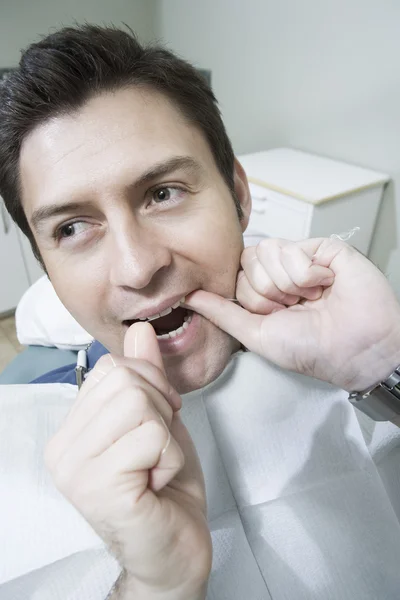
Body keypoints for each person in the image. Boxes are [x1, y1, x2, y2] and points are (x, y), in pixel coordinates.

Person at [1, 24, 400, 600]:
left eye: (163, 192)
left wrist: (386, 364)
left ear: (239, 193)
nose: (137, 268)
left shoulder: (364, 368)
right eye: (72, 228)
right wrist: (155, 586)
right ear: (44, 263)